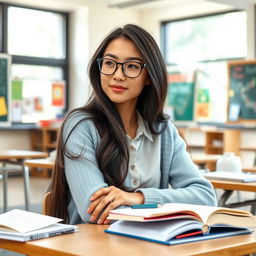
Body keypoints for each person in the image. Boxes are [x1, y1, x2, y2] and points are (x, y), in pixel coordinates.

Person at [49, 24, 217, 225]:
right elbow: (94, 211)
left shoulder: (163, 130)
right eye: (110, 63)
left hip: (151, 242)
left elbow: (206, 197)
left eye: (132, 66)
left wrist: (139, 197)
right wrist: (166, 205)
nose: (118, 75)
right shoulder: (81, 126)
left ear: (149, 76)